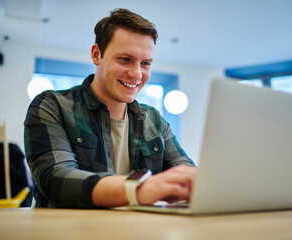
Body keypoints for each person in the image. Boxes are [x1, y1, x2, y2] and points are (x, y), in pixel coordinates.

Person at [24, 8, 196, 208]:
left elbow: (187, 176)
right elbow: (56, 180)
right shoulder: (52, 106)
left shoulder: (154, 120)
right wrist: (140, 189)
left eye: (145, 63)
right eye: (125, 59)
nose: (136, 74)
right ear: (97, 55)